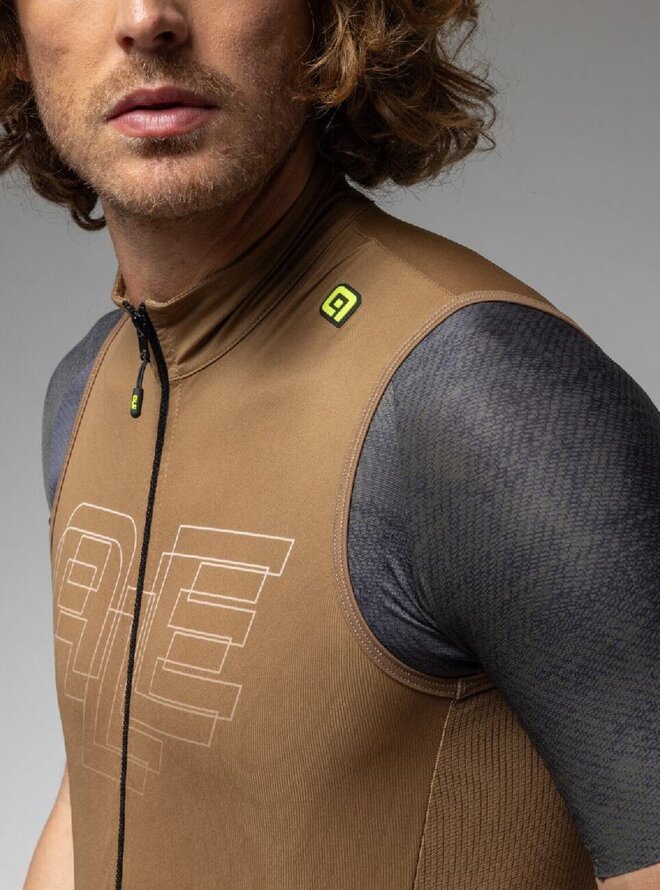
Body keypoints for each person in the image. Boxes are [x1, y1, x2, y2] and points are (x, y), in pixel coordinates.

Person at [2, 1, 658, 888]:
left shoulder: (489, 397)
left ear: (330, 15)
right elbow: (99, 796)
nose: (148, 17)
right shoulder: (89, 389)